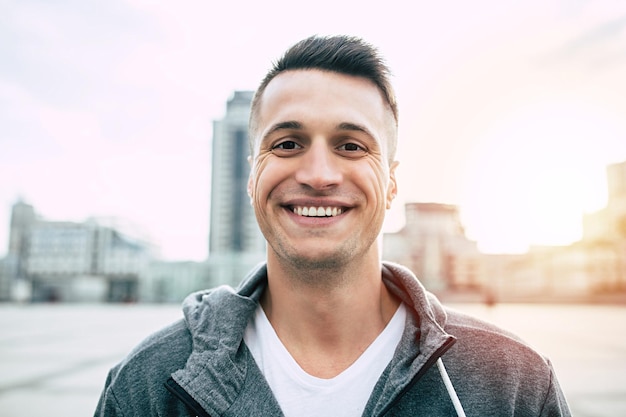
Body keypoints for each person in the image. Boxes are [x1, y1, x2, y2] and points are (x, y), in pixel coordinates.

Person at [95, 35, 571, 416]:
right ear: (251, 174)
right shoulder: (146, 386)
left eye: (351, 146)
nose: (319, 174)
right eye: (286, 144)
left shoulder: (513, 385)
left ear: (390, 184)